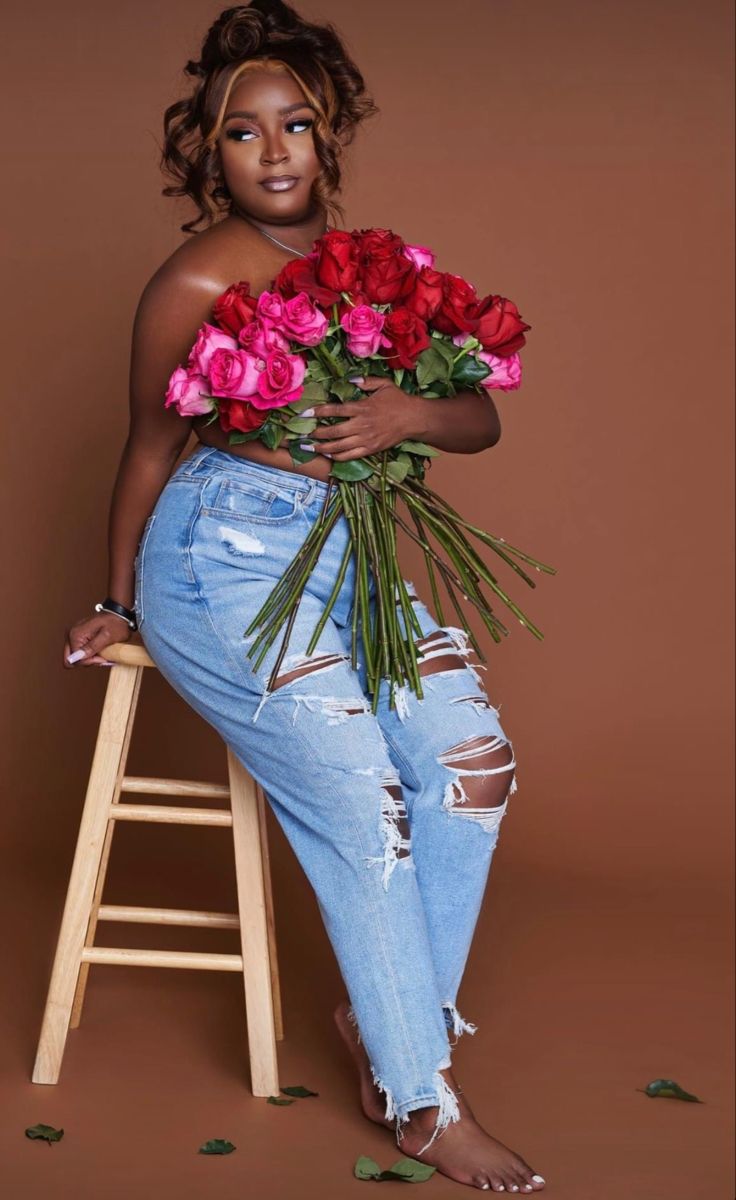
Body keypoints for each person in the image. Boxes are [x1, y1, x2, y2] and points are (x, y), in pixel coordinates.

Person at [62, 3, 546, 1192]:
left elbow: (476, 413)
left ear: (329, 138)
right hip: (217, 563)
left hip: (353, 560)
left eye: (296, 125)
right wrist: (119, 606)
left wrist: (406, 414)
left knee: (474, 764)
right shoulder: (192, 274)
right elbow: (143, 451)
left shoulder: (380, 271)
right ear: (209, 152)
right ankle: (423, 1101)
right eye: (242, 132)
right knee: (363, 791)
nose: (273, 150)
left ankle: (388, 1031)